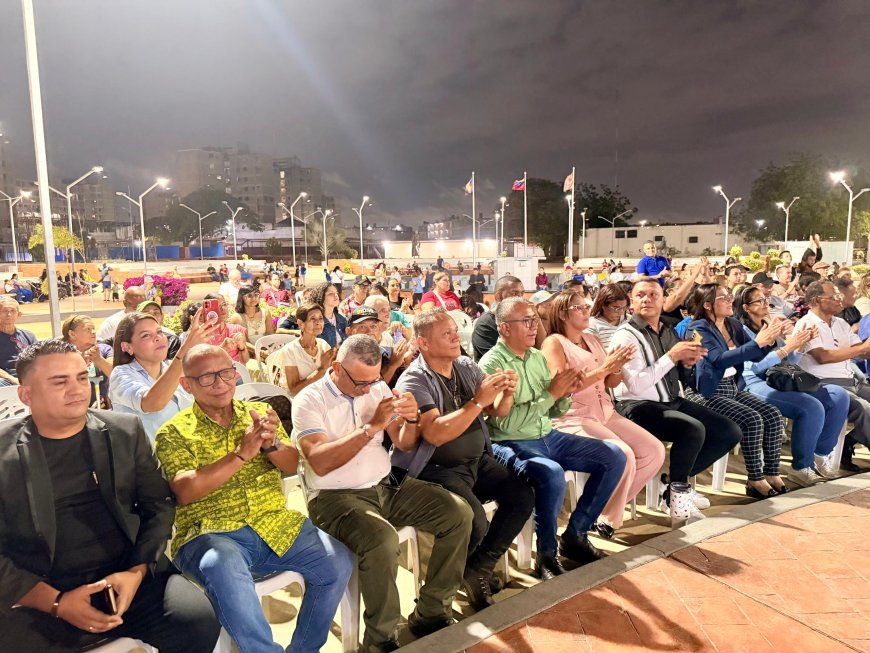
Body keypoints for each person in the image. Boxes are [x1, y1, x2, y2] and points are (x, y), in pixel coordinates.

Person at [0, 339, 220, 652]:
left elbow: (158, 504)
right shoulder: (3, 452)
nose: (77, 390)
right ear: (26, 394)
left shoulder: (122, 431)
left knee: (196, 620)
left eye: (81, 377)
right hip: (40, 585)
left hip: (126, 572)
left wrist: (135, 572)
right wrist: (56, 602)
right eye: (60, 382)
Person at [155, 344, 352, 652]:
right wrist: (241, 454)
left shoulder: (258, 414)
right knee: (226, 571)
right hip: (211, 533)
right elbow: (184, 491)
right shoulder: (174, 432)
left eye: (226, 373)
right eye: (207, 377)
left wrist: (272, 443)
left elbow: (291, 466)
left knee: (337, 561)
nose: (220, 383)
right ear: (186, 385)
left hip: (274, 524)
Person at [292, 335, 473, 652]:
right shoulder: (310, 400)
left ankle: (432, 611)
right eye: (360, 382)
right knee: (383, 540)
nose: (368, 388)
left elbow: (403, 442)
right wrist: (371, 427)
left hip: (385, 484)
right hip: (335, 497)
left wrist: (413, 418)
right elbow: (320, 462)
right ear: (337, 368)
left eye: (374, 379)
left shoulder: (376, 387)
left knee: (458, 514)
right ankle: (380, 639)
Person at [394, 309, 534, 606]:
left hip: (476, 460)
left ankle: (477, 568)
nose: (457, 336)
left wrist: (506, 392)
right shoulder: (414, 380)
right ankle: (455, 578)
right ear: (424, 343)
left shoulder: (466, 366)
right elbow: (433, 434)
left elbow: (497, 410)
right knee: (475, 519)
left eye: (455, 330)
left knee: (522, 495)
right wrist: (478, 400)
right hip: (434, 468)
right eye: (447, 333)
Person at [478, 298, 626, 575]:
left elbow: (555, 408)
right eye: (526, 321)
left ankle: (576, 535)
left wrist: (566, 391)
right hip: (510, 442)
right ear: (505, 329)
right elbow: (506, 420)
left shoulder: (536, 357)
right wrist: (553, 394)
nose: (535, 326)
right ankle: (546, 555)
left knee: (614, 456)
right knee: (551, 473)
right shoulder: (492, 363)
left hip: (548, 433)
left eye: (535, 319)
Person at [609, 278, 743, 517]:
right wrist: (671, 357)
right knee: (692, 430)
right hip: (636, 405)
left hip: (669, 399)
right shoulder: (626, 335)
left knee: (729, 431)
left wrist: (688, 364)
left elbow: (678, 374)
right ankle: (675, 496)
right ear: (631, 301)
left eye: (653, 295)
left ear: (664, 300)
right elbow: (637, 385)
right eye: (640, 295)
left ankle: (671, 485)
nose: (647, 299)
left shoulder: (666, 329)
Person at [542, 290, 665, 535]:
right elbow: (561, 387)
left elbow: (610, 382)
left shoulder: (592, 339)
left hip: (605, 411)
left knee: (654, 451)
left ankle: (601, 512)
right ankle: (601, 519)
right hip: (574, 415)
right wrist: (605, 369)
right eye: (579, 307)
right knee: (624, 453)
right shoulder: (554, 343)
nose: (587, 310)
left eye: (586, 305)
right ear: (563, 314)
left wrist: (617, 367)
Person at [733, 285, 850, 486]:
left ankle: (820, 454)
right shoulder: (741, 330)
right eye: (759, 301)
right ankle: (800, 467)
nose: (765, 304)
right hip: (753, 382)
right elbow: (754, 367)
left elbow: (787, 364)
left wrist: (800, 346)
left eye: (766, 300)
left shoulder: (770, 325)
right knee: (810, 406)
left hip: (779, 377)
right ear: (746, 307)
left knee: (838, 395)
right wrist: (788, 347)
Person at [683, 284, 788, 498]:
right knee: (752, 419)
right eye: (724, 297)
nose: (730, 300)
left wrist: (770, 339)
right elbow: (718, 360)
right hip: (706, 391)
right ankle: (755, 479)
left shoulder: (732, 324)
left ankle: (771, 473)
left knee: (773, 415)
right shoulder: (698, 328)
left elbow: (755, 354)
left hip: (731, 387)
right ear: (708, 304)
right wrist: (758, 342)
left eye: (730, 296)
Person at [795, 280, 870, 471]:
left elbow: (861, 351)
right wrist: (861, 348)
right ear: (817, 300)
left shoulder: (841, 323)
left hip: (850, 381)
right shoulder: (806, 324)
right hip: (822, 384)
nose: (840, 300)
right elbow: (823, 356)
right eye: (834, 297)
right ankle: (829, 452)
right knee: (865, 409)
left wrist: (864, 348)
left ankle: (848, 443)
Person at [110, 310, 212, 442]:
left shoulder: (172, 367)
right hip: (151, 460)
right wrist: (186, 349)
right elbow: (152, 403)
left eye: (159, 332)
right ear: (127, 347)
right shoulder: (120, 375)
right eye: (146, 335)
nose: (157, 338)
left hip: (189, 454)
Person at [271, 303, 335, 397]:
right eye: (313, 319)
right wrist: (321, 370)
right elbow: (294, 389)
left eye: (320, 318)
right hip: (297, 400)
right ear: (301, 324)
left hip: (319, 394)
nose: (318, 322)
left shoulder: (323, 345)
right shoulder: (290, 351)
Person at [62, 315, 113, 408]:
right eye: (88, 329)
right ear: (72, 334)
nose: (93, 332)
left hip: (103, 409)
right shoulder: (59, 354)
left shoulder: (104, 350)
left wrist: (98, 359)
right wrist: (79, 362)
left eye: (93, 328)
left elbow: (115, 374)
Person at [472, 275, 524, 360]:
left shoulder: (520, 320)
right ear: (498, 296)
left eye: (521, 294)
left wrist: (535, 315)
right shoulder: (485, 324)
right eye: (514, 293)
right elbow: (496, 361)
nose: (520, 299)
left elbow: (539, 351)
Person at [201, 293, 250, 364]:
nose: (223, 308)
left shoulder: (237, 329)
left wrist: (242, 347)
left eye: (224, 304)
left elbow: (245, 360)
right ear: (209, 310)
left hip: (236, 373)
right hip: (214, 374)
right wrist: (222, 347)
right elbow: (205, 363)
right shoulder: (203, 334)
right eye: (217, 306)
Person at [0, 295, 37, 386]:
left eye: (12, 311)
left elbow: (39, 359)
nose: (9, 315)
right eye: (5, 311)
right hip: (5, 378)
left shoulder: (29, 336)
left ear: (19, 314)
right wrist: (12, 379)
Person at [587, 283, 630, 349]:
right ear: (603, 305)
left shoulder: (629, 320)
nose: (621, 312)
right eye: (616, 308)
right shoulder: (592, 324)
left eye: (624, 308)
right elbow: (594, 353)